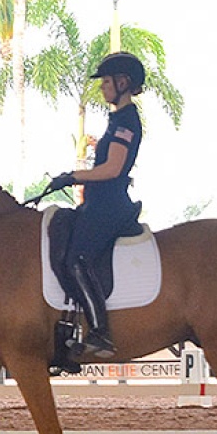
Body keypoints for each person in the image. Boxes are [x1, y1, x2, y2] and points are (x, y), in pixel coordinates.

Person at [48, 52, 146, 360]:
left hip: (110, 205)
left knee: (77, 257)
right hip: (99, 202)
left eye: (106, 82)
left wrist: (72, 176)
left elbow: (113, 169)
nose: (102, 88)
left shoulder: (127, 120)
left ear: (123, 83)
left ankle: (101, 333)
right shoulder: (116, 119)